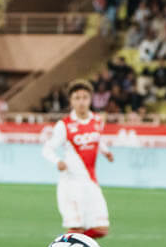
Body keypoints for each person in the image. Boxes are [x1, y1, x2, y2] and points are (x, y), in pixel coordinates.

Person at [40, 79, 115, 238]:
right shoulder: (64, 125)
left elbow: (98, 139)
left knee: (101, 229)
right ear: (71, 101)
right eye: (77, 98)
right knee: (76, 228)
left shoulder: (97, 121)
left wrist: (106, 152)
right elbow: (47, 149)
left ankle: (70, 246)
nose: (81, 102)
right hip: (71, 183)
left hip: (91, 182)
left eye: (84, 97)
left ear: (90, 99)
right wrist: (58, 161)